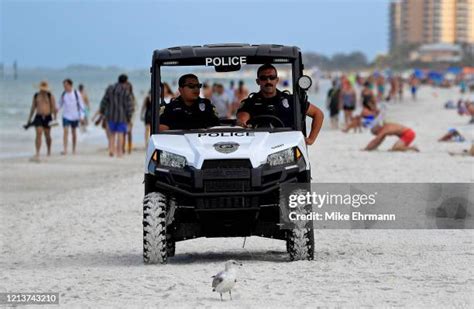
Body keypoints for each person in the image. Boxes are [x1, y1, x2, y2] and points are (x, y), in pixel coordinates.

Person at [236, 63, 324, 145]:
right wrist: (242, 122)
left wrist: (311, 139)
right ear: (258, 81)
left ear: (277, 80)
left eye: (272, 77)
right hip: (259, 146)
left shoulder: (291, 100)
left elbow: (318, 114)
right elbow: (242, 119)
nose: (268, 81)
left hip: (286, 146)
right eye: (264, 78)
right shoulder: (250, 102)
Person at [99, 74, 134, 157]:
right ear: (125, 82)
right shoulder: (126, 92)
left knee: (112, 134)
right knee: (120, 134)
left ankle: (111, 150)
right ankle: (119, 153)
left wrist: (102, 111)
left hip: (111, 115)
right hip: (122, 117)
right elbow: (129, 106)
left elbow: (104, 101)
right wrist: (129, 117)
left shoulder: (110, 89)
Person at [25, 81, 57, 162]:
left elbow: (54, 108)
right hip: (38, 117)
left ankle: (49, 150)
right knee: (38, 133)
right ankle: (37, 152)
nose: (44, 90)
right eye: (42, 89)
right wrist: (29, 118)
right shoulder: (36, 96)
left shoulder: (50, 95)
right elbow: (33, 108)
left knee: (47, 135)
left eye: (45, 89)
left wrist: (55, 119)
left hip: (48, 117)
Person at [57, 79, 85, 155]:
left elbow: (82, 106)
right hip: (66, 116)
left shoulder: (76, 93)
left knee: (74, 133)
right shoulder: (63, 94)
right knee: (65, 132)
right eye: (64, 86)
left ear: (70, 85)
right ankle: (65, 150)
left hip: (75, 116)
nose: (64, 87)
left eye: (66, 85)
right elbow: (60, 104)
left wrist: (82, 116)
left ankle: (74, 149)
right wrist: (56, 109)